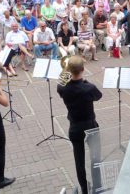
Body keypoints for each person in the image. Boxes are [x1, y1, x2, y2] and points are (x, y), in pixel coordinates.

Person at [56, 55, 102, 194]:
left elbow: (60, 85)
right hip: (90, 126)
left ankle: (84, 188)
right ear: (83, 68)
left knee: (79, 160)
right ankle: (97, 186)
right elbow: (98, 96)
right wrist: (84, 80)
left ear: (68, 70)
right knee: (95, 158)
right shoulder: (88, 87)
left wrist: (66, 72)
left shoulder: (63, 88)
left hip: (75, 127)